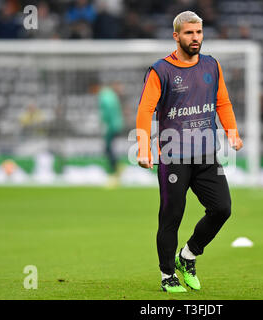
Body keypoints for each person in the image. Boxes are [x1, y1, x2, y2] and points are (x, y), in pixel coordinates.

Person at [135, 11, 243, 293]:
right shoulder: (161, 70)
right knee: (172, 216)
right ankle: (167, 275)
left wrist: (232, 131)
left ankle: (189, 255)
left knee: (222, 209)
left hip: (207, 154)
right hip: (173, 156)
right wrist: (144, 147)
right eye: (189, 33)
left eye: (199, 32)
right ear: (176, 36)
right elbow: (145, 109)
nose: (195, 38)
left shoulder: (212, 65)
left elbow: (223, 102)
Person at [96, 81, 125, 185]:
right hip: (116, 124)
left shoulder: (104, 95)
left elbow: (107, 113)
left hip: (111, 126)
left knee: (108, 149)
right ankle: (117, 169)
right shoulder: (111, 95)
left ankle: (114, 172)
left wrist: (105, 124)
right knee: (110, 149)